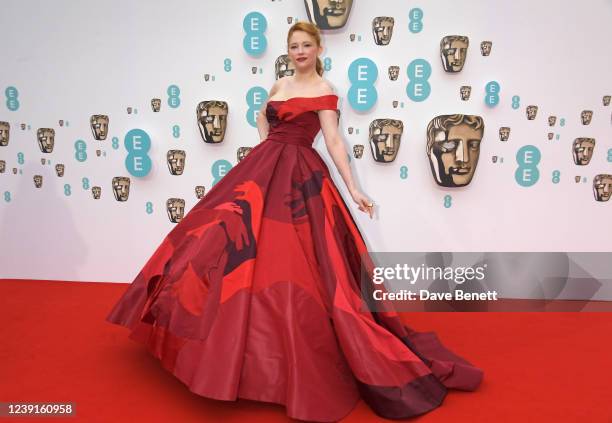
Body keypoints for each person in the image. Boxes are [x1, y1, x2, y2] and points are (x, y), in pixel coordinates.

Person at [106, 21, 483, 422]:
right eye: (293, 46)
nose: (299, 51)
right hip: (263, 167)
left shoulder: (326, 92)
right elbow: (264, 120)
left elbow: (334, 141)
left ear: (319, 48)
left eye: (306, 45)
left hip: (300, 177)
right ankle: (217, 349)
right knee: (219, 244)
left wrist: (354, 189)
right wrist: (266, 146)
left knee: (292, 264)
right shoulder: (278, 85)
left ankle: (283, 360)